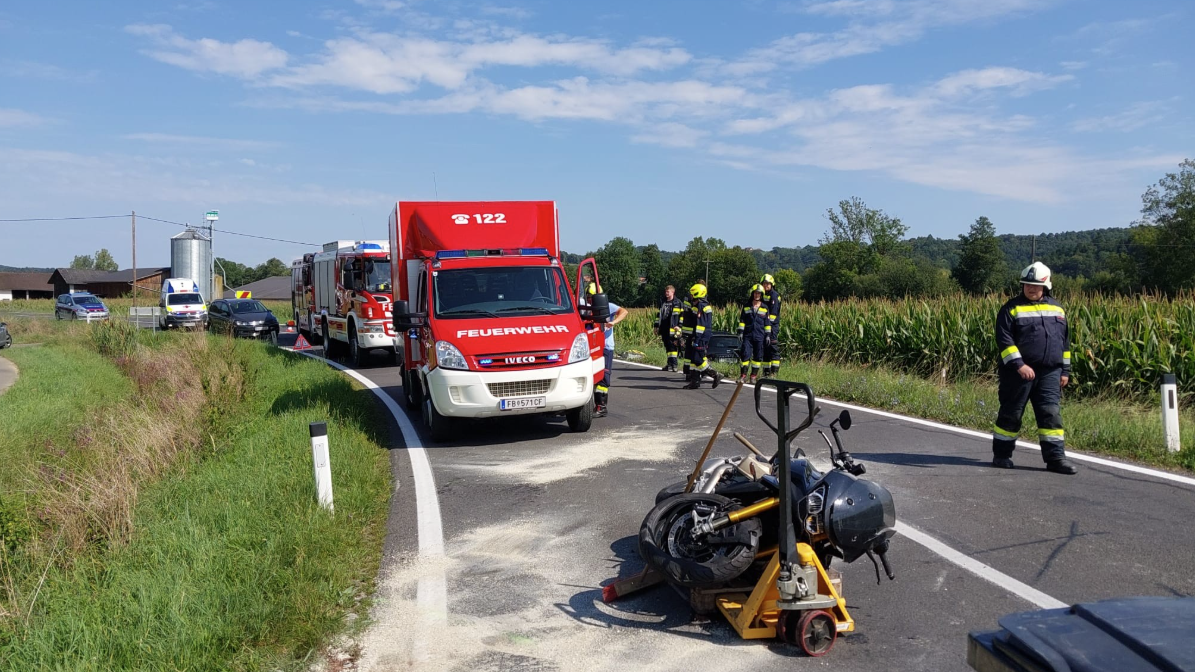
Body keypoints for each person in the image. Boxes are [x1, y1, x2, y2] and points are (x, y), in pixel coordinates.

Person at [992, 262, 1077, 475]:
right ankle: (1002, 455)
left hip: (1050, 372)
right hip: (1018, 374)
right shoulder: (1010, 309)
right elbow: (1004, 341)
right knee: (1011, 414)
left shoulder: (1057, 309)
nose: (1031, 288)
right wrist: (1019, 365)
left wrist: (1065, 372)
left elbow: (1064, 343)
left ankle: (1056, 459)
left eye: (1035, 286)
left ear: (1045, 287)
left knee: (1051, 415)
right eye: (1027, 285)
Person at [588, 283, 628, 418]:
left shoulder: (607, 306)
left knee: (603, 377)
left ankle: (601, 406)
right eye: (588, 297)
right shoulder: (587, 308)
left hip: (605, 347)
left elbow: (624, 312)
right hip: (591, 347)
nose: (589, 301)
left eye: (592, 298)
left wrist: (613, 322)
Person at [683, 283, 724, 390]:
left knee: (697, 359)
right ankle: (694, 381)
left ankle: (715, 374)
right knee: (693, 359)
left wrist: (697, 339)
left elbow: (701, 325)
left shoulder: (702, 306)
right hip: (698, 335)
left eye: (692, 294)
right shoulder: (699, 305)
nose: (691, 297)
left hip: (701, 336)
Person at [737, 284, 769, 384]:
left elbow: (767, 323)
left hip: (760, 336)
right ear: (752, 294)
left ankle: (753, 377)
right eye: (755, 293)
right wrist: (741, 332)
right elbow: (742, 320)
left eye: (759, 293)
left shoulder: (765, 308)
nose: (757, 295)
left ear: (761, 294)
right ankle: (742, 376)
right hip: (748, 335)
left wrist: (768, 335)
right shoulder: (747, 307)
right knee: (745, 355)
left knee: (757, 357)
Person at [656, 285, 684, 372]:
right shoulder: (662, 302)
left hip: (673, 328)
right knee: (667, 346)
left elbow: (682, 316)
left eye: (668, 292)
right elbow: (658, 315)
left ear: (673, 292)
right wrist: (656, 326)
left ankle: (674, 365)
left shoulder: (677, 303)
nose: (666, 293)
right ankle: (669, 364)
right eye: (666, 292)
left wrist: (679, 326)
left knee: (673, 346)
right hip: (664, 327)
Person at [760, 274, 782, 377]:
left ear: (772, 284)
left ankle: (774, 373)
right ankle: (766, 373)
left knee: (773, 347)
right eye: (764, 284)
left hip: (772, 327)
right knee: (765, 349)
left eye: (768, 284)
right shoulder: (762, 295)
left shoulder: (774, 296)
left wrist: (766, 324)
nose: (766, 285)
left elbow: (772, 316)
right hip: (764, 326)